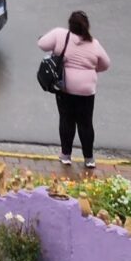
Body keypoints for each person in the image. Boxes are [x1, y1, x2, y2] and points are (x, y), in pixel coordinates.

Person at [38, 11, 111, 169]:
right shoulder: (94, 44)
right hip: (87, 90)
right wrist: (90, 70)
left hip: (65, 87)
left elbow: (42, 44)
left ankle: (66, 155)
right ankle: (89, 159)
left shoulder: (60, 35)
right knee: (86, 123)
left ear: (70, 25)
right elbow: (106, 64)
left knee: (66, 120)